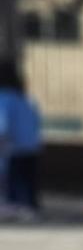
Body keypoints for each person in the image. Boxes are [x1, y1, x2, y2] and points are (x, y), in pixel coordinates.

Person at [0, 62, 42, 220]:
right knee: (28, 180)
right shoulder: (26, 99)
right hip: (32, 146)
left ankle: (16, 208)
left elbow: (3, 126)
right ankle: (30, 207)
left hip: (14, 148)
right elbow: (36, 121)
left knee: (14, 182)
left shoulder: (3, 98)